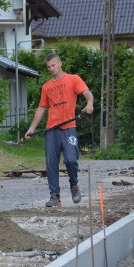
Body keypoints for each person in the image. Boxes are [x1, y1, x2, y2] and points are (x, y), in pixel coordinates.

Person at [24, 52, 94, 208]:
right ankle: (55, 196)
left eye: (53, 65)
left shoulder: (73, 79)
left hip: (69, 128)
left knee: (70, 159)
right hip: (51, 129)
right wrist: (31, 128)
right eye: (48, 67)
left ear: (60, 64)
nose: (51, 69)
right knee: (51, 163)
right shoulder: (47, 87)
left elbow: (88, 93)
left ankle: (74, 184)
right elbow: (41, 108)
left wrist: (89, 103)